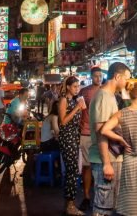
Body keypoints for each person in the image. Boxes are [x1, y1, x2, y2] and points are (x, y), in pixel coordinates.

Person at [100, 82, 137, 216]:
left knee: (131, 206)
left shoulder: (121, 113)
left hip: (130, 163)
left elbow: (104, 130)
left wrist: (120, 139)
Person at [89, 61, 131, 216]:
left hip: (112, 158)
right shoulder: (104, 97)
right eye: (126, 78)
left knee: (111, 206)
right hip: (104, 160)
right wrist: (106, 163)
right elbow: (101, 132)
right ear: (117, 76)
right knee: (103, 208)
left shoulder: (111, 96)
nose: (127, 82)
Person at [59, 76, 87, 216]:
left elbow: (79, 119)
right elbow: (63, 121)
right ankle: (70, 205)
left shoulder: (76, 100)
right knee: (72, 171)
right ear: (68, 87)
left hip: (75, 137)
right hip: (67, 137)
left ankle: (69, 204)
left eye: (78, 86)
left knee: (74, 170)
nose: (77, 89)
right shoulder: (64, 100)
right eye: (75, 86)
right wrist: (77, 107)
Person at [78, 66, 103, 213]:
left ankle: (100, 197)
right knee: (87, 167)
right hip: (87, 133)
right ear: (91, 77)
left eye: (100, 76)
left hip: (101, 134)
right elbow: (79, 112)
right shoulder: (84, 92)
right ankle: (87, 196)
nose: (98, 79)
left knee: (99, 166)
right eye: (96, 76)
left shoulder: (106, 91)